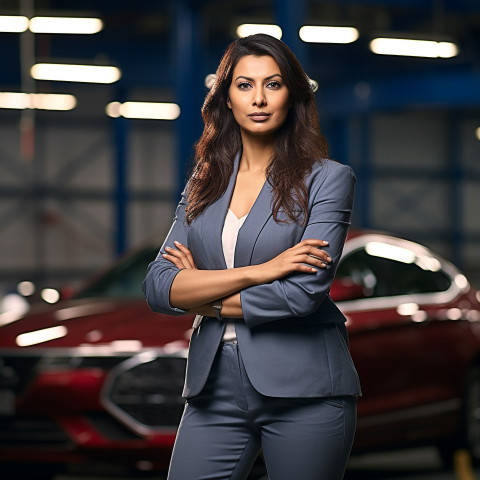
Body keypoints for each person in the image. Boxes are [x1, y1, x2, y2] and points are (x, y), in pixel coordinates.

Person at [143, 33, 361, 480]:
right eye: (244, 85)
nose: (258, 98)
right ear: (226, 98)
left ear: (292, 96)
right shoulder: (204, 182)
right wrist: (263, 271)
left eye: (273, 84)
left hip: (306, 391)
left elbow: (301, 295)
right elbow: (158, 286)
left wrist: (200, 297)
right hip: (212, 387)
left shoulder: (328, 180)